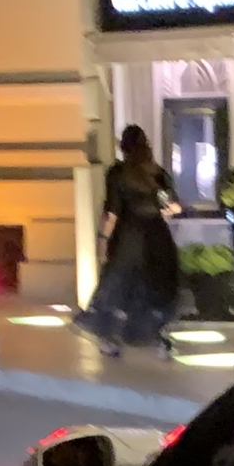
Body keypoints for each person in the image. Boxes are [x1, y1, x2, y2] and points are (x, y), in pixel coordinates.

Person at [85, 125, 181, 358]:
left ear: (123, 146)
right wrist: (158, 209)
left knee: (118, 289)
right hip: (157, 238)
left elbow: (112, 213)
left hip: (128, 238)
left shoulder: (118, 173)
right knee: (153, 289)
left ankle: (111, 341)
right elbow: (174, 207)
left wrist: (102, 239)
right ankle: (156, 339)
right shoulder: (157, 173)